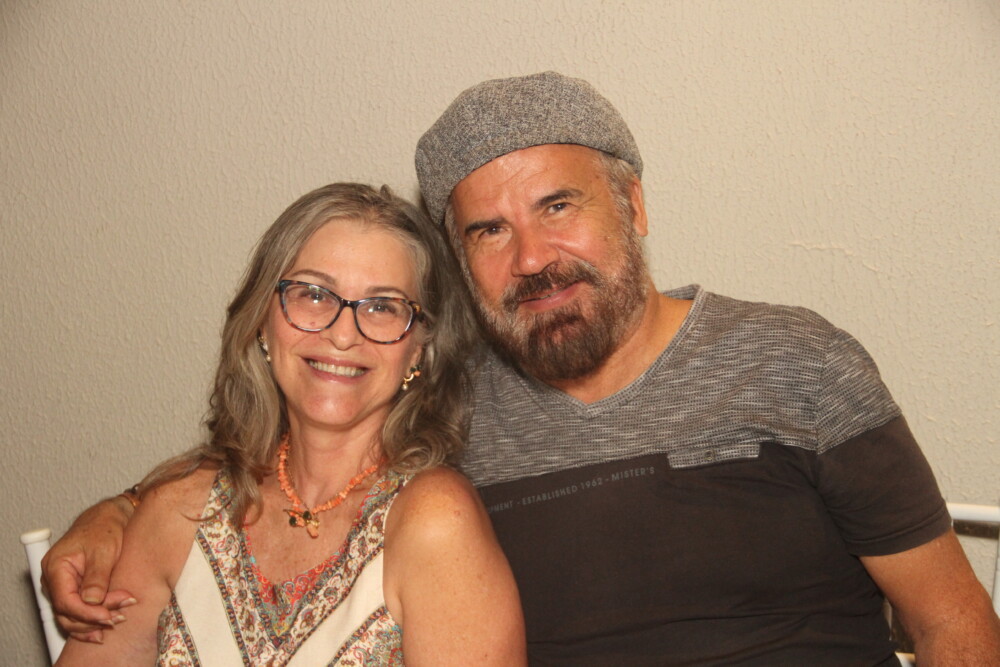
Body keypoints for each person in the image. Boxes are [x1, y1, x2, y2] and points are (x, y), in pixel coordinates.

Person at [46, 73, 1000, 664]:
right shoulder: (452, 407)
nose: (532, 257)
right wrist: (119, 512)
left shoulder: (795, 362)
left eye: (558, 207)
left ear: (633, 204)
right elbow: (296, 440)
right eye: (488, 230)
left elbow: (955, 626)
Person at [53, 183, 525, 666]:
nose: (343, 334)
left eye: (382, 306)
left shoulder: (434, 523)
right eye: (314, 295)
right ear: (263, 319)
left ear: (418, 349)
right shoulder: (179, 510)